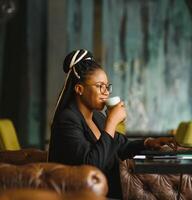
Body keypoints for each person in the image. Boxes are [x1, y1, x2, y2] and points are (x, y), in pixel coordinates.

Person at [48, 49, 175, 199]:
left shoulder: (97, 117)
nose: (106, 92)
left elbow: (122, 146)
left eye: (107, 86)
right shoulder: (67, 120)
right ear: (79, 89)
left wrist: (149, 142)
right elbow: (91, 165)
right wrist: (112, 123)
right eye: (100, 86)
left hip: (111, 190)